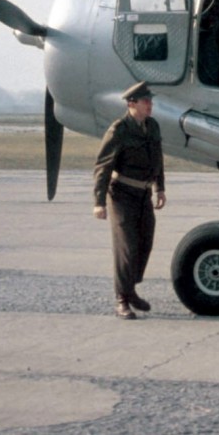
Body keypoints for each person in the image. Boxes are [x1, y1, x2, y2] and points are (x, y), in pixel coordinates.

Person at [93, 81, 167, 320]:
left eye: (151, 102)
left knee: (145, 242)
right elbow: (103, 166)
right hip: (122, 194)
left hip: (144, 194)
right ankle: (122, 299)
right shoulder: (119, 129)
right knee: (127, 247)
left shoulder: (152, 126)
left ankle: (130, 289)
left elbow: (158, 158)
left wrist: (160, 188)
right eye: (146, 102)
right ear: (131, 104)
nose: (150, 106)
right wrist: (99, 202)